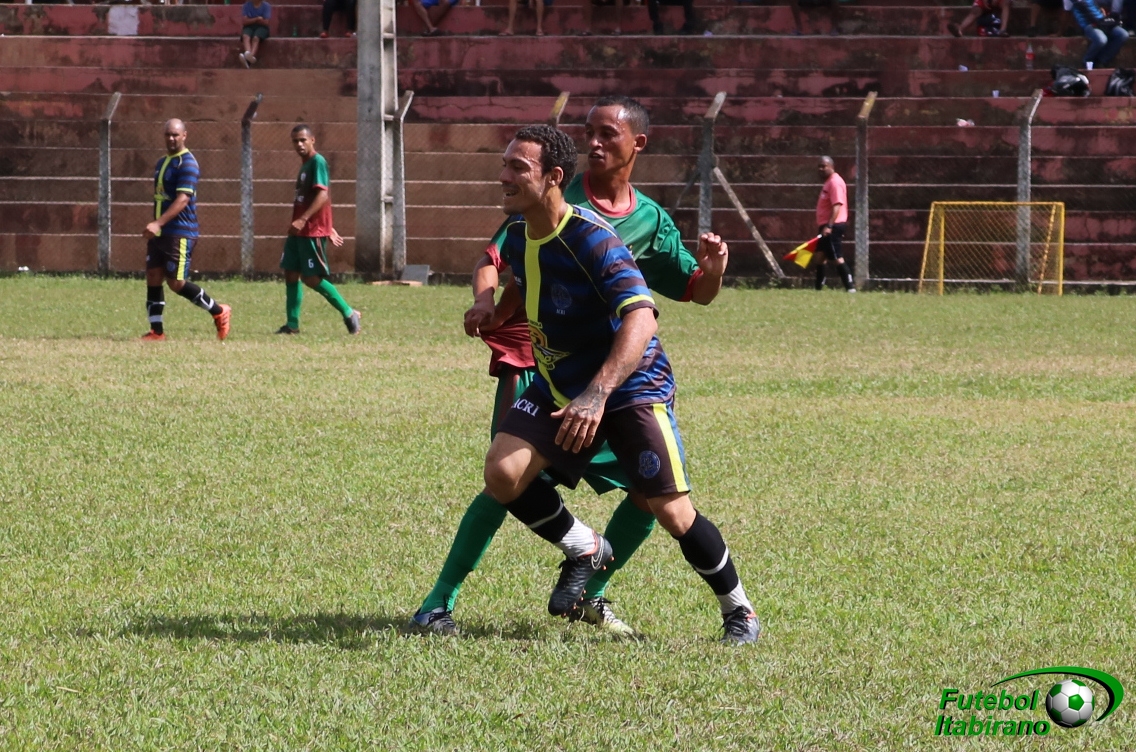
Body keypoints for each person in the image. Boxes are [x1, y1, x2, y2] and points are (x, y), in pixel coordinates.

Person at [409, 97, 730, 638]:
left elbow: (693, 290)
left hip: (616, 380)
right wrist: (489, 306)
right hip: (543, 365)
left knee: (650, 492)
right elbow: (498, 262)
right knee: (507, 476)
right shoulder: (551, 193)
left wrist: (714, 270)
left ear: (637, 144)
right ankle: (439, 602)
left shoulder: (650, 220)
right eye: (589, 132)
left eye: (608, 134)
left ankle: (591, 591)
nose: (594, 143)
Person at [473, 124, 759, 645]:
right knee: (503, 472)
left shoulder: (592, 238)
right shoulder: (518, 232)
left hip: (629, 385)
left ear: (553, 177)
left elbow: (642, 317)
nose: (504, 176)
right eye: (504, 164)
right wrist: (490, 310)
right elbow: (523, 281)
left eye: (518, 167)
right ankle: (586, 548)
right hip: (561, 381)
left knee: (671, 510)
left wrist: (598, 394)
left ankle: (739, 611)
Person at [142, 120, 231, 342]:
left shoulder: (188, 163)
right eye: (168, 135)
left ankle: (219, 311)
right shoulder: (162, 162)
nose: (171, 138)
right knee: (153, 276)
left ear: (184, 136)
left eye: (175, 134)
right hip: (160, 233)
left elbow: (183, 199)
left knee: (176, 283)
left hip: (180, 232)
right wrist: (157, 225)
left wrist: (158, 223)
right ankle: (156, 331)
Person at [277, 124, 361, 335]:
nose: (299, 144)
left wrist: (305, 220)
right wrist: (327, 225)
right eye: (295, 141)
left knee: (311, 278)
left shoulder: (318, 162)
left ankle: (349, 312)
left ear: (312, 140)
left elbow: (323, 195)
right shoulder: (305, 165)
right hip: (299, 230)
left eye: (303, 140)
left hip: (309, 230)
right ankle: (292, 324)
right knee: (291, 273)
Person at [814, 156, 855, 293]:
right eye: (819, 167)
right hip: (825, 225)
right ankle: (818, 288)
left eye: (823, 166)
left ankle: (850, 287)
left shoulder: (835, 182)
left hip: (833, 226)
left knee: (836, 257)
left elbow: (837, 205)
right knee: (820, 256)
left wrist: (829, 226)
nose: (821, 169)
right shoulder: (828, 182)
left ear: (831, 167)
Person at [1065, 0, 1128, 66]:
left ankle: (1102, 60)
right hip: (1090, 25)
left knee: (1123, 34)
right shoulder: (1075, 3)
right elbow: (1069, 10)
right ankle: (1087, 61)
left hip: (1102, 22)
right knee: (1102, 40)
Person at [239, 0, 271, 68]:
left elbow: (266, 22)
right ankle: (248, 54)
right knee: (245, 36)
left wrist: (251, 20)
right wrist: (256, 19)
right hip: (249, 26)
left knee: (256, 38)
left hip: (262, 27)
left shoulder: (266, 6)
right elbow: (244, 22)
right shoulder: (246, 5)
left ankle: (250, 57)